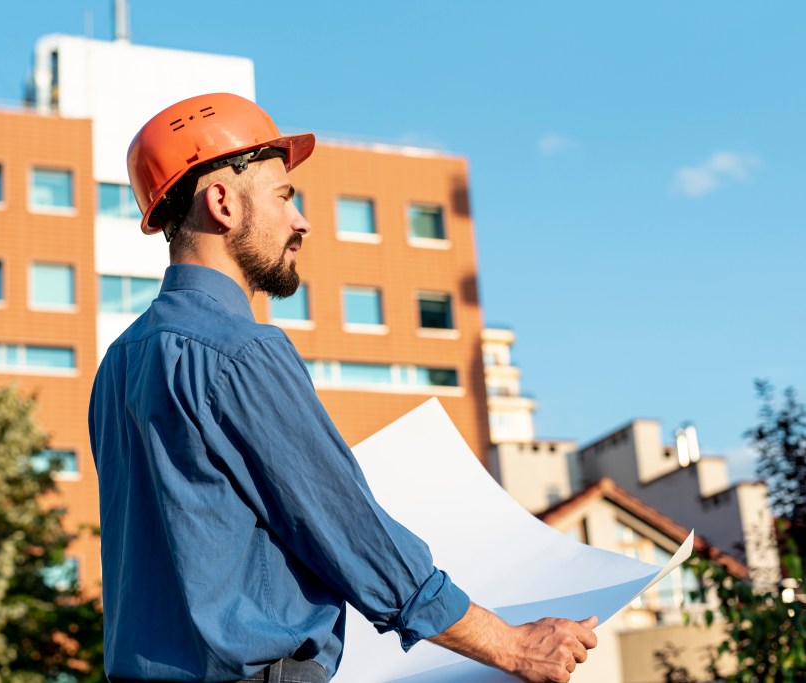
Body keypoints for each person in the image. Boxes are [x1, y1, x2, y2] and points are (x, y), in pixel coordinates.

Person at [88, 93, 597, 683]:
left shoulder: (119, 363)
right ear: (222, 202)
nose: (300, 220)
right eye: (284, 196)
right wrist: (509, 644)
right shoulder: (241, 351)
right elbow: (351, 533)